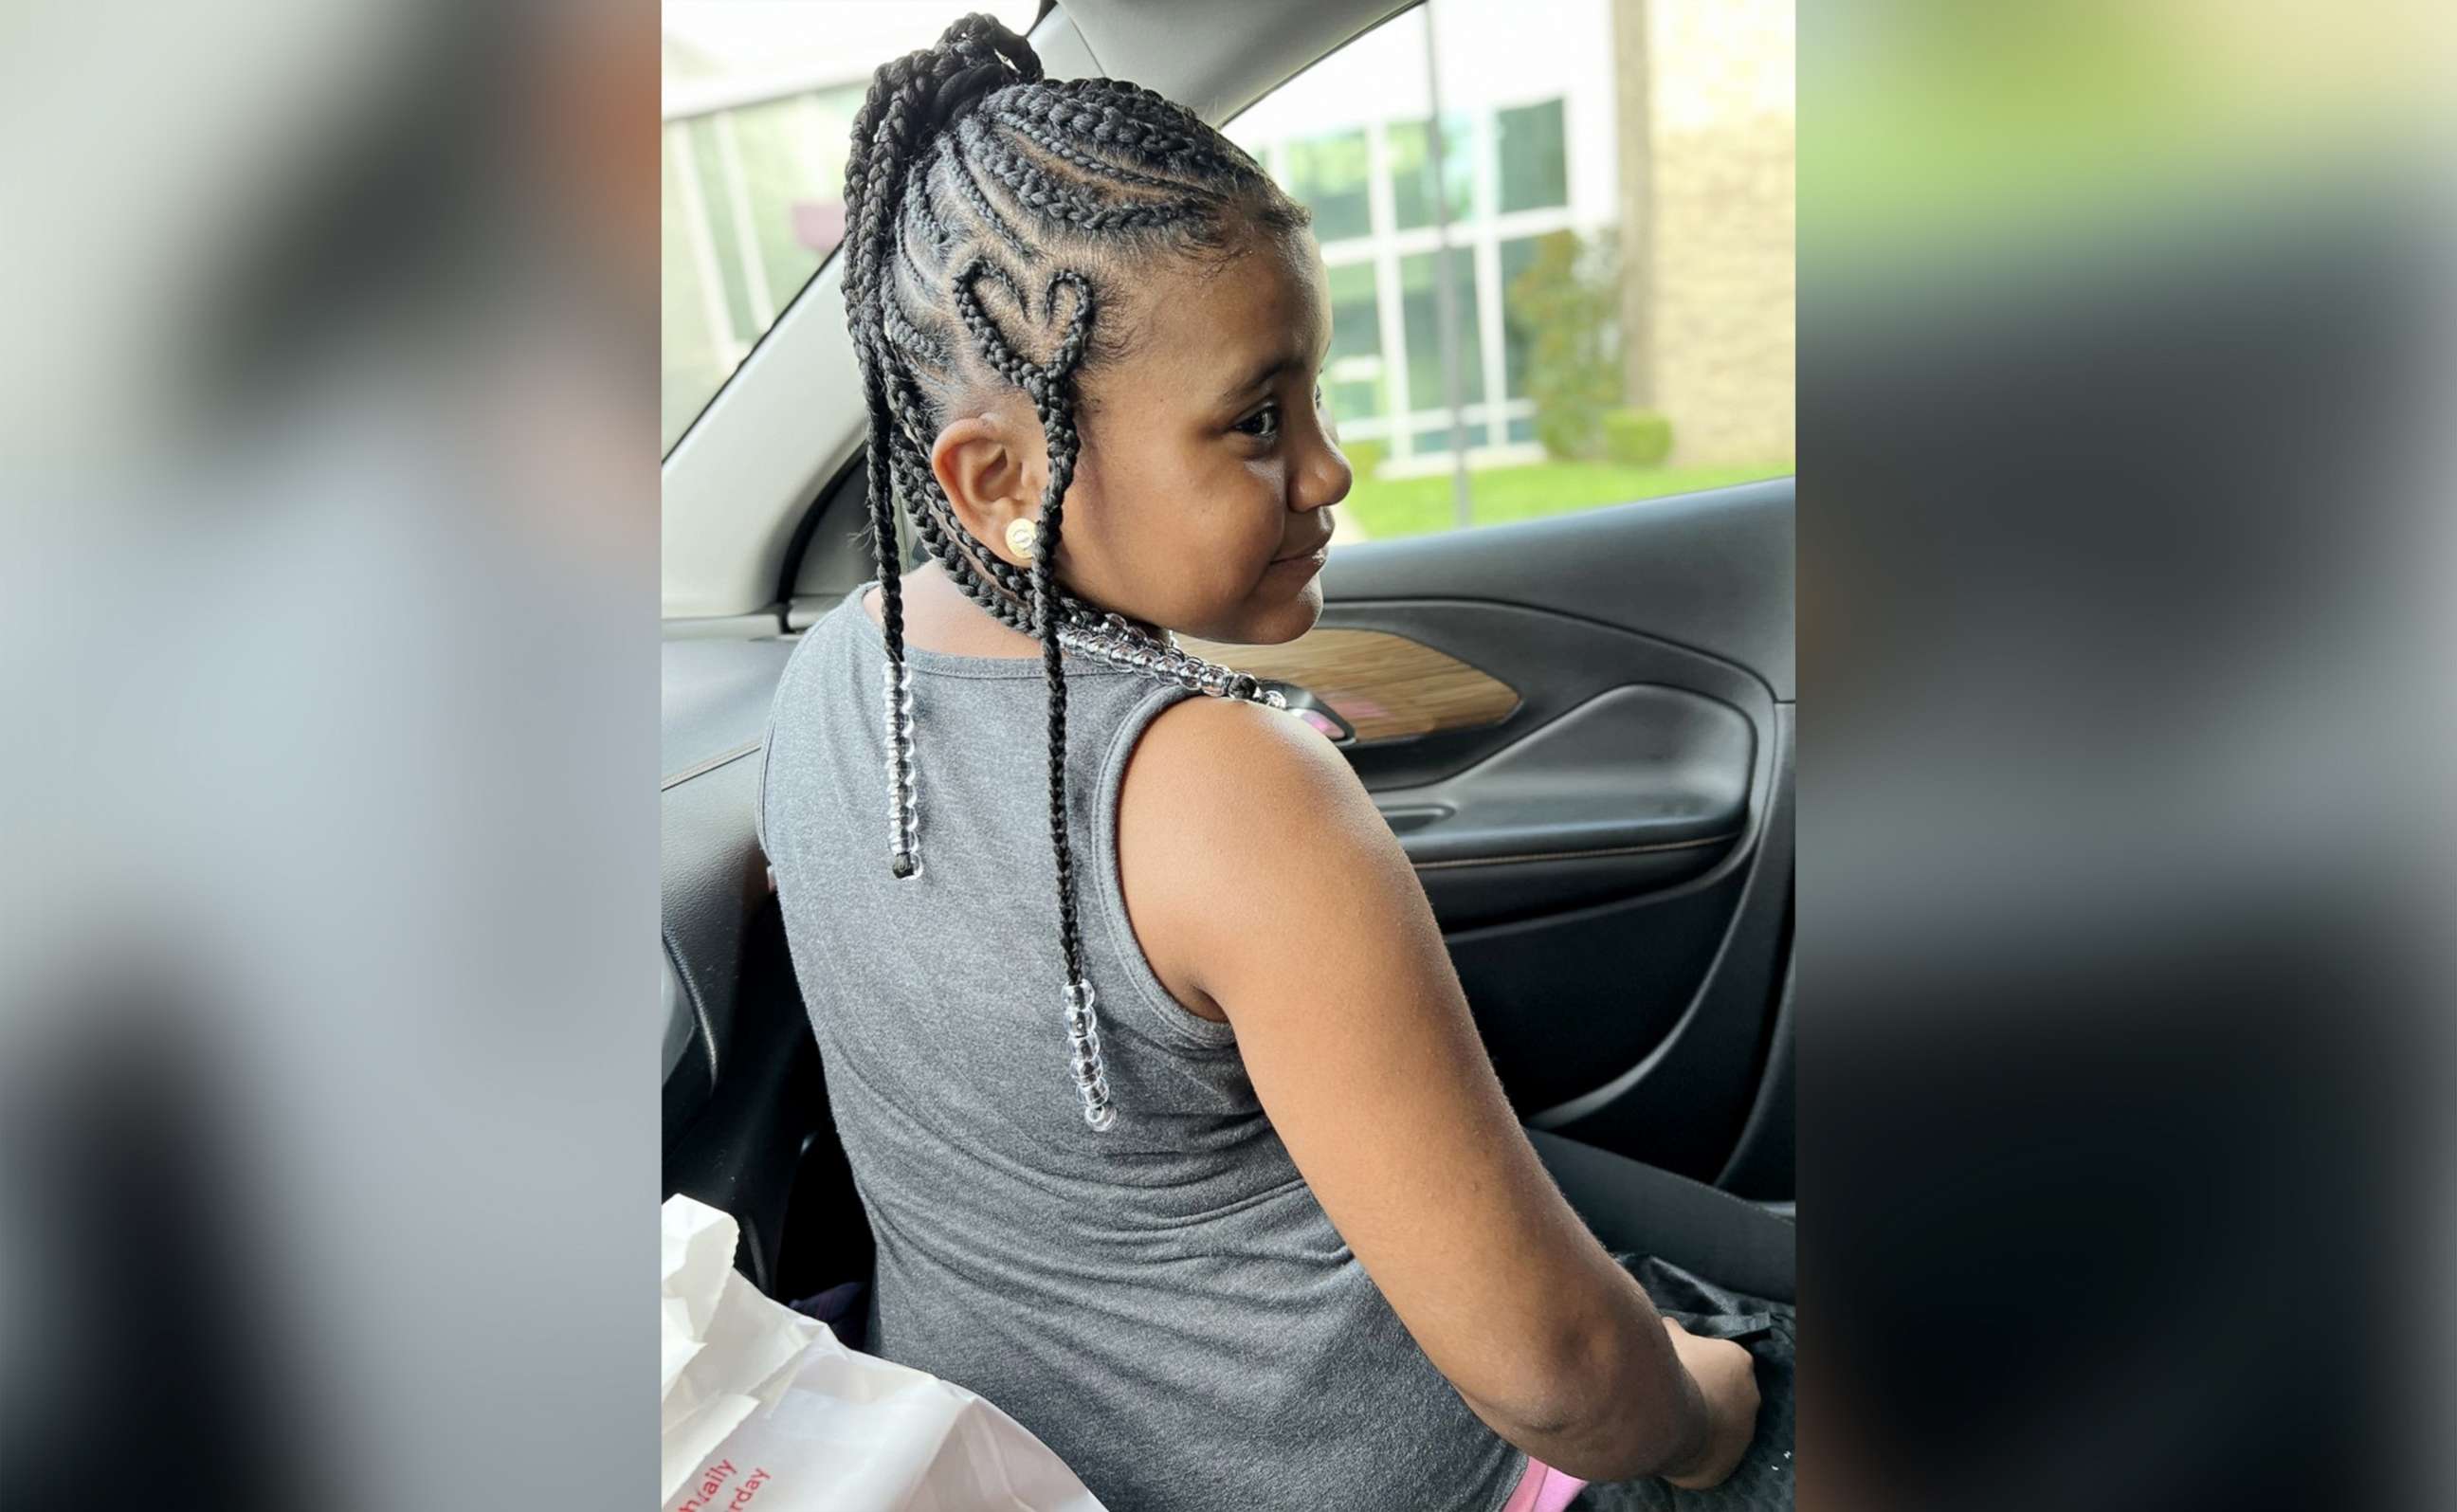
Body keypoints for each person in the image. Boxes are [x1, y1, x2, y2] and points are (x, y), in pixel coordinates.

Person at [757, 15, 1759, 1511]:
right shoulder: (1236, 792)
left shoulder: (834, 677)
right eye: (1258, 420)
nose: (1330, 468)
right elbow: (1558, 1379)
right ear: (1001, 472)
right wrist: (1710, 1418)